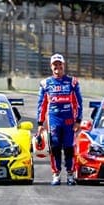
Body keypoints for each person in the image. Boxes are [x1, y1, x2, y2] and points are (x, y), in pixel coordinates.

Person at [37, 53, 83, 186]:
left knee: (69, 147)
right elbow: (42, 104)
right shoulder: (45, 83)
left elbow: (78, 102)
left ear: (64, 65)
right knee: (55, 147)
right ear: (51, 67)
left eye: (59, 64)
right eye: (55, 64)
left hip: (69, 120)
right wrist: (40, 123)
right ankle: (56, 174)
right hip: (54, 120)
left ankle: (70, 174)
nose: (57, 67)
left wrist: (78, 121)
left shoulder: (72, 82)